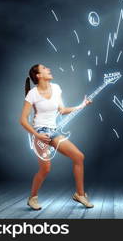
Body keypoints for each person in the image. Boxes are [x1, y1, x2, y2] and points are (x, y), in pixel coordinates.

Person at [19, 64, 94, 209]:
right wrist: (37, 135)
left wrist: (82, 105)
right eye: (45, 68)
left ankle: (80, 194)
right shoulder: (32, 94)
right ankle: (32, 198)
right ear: (38, 75)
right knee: (46, 169)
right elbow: (22, 120)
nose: (49, 69)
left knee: (79, 157)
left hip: (54, 132)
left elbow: (63, 110)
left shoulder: (56, 88)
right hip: (40, 133)